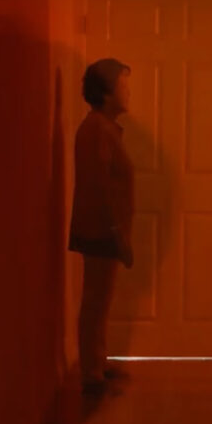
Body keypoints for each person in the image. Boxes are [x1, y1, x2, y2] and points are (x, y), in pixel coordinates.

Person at [68, 58, 135, 395]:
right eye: (124, 86)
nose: (128, 92)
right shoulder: (96, 129)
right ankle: (91, 372)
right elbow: (99, 188)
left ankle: (98, 359)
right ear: (107, 92)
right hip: (100, 231)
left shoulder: (104, 128)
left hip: (105, 230)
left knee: (101, 299)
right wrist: (117, 235)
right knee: (95, 300)